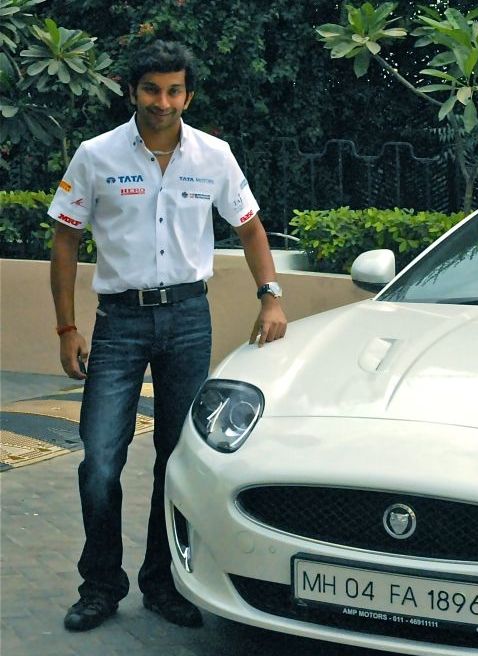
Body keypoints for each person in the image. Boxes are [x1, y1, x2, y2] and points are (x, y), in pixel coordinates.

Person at [48, 40, 287, 632]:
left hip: (186, 319)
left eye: (174, 90)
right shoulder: (95, 155)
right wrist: (67, 327)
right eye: (152, 89)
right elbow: (64, 241)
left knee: (176, 460)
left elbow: (251, 228)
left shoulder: (214, 156)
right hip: (119, 324)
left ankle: (163, 582)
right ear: (133, 91)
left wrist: (271, 295)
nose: (163, 101)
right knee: (99, 461)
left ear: (188, 94)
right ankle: (100, 584)